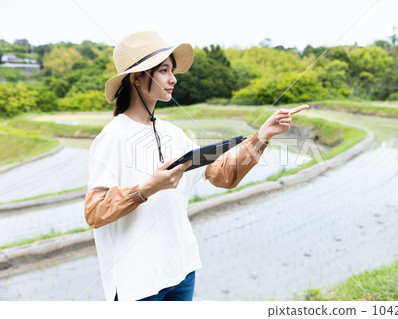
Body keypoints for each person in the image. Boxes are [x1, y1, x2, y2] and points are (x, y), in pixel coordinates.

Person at [84, 31, 309, 301]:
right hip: (139, 282)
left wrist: (261, 137)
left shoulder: (173, 133)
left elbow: (223, 175)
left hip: (181, 270)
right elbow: (94, 211)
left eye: (172, 70)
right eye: (164, 70)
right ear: (137, 77)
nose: (173, 79)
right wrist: (146, 189)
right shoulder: (113, 137)